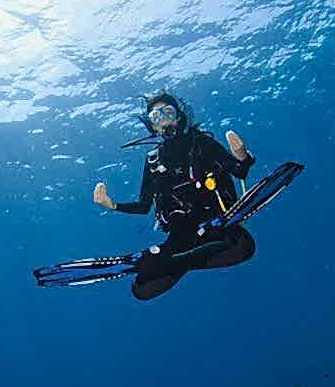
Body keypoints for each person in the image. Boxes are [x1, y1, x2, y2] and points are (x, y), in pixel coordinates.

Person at [34, 91, 304, 300]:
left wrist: (243, 156)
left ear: (179, 116)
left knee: (245, 246)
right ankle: (172, 258)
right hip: (182, 236)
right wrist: (113, 205)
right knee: (141, 290)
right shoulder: (153, 160)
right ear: (152, 127)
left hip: (218, 225)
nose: (163, 120)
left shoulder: (203, 143)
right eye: (156, 118)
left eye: (167, 112)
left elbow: (239, 171)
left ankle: (164, 259)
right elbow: (143, 206)